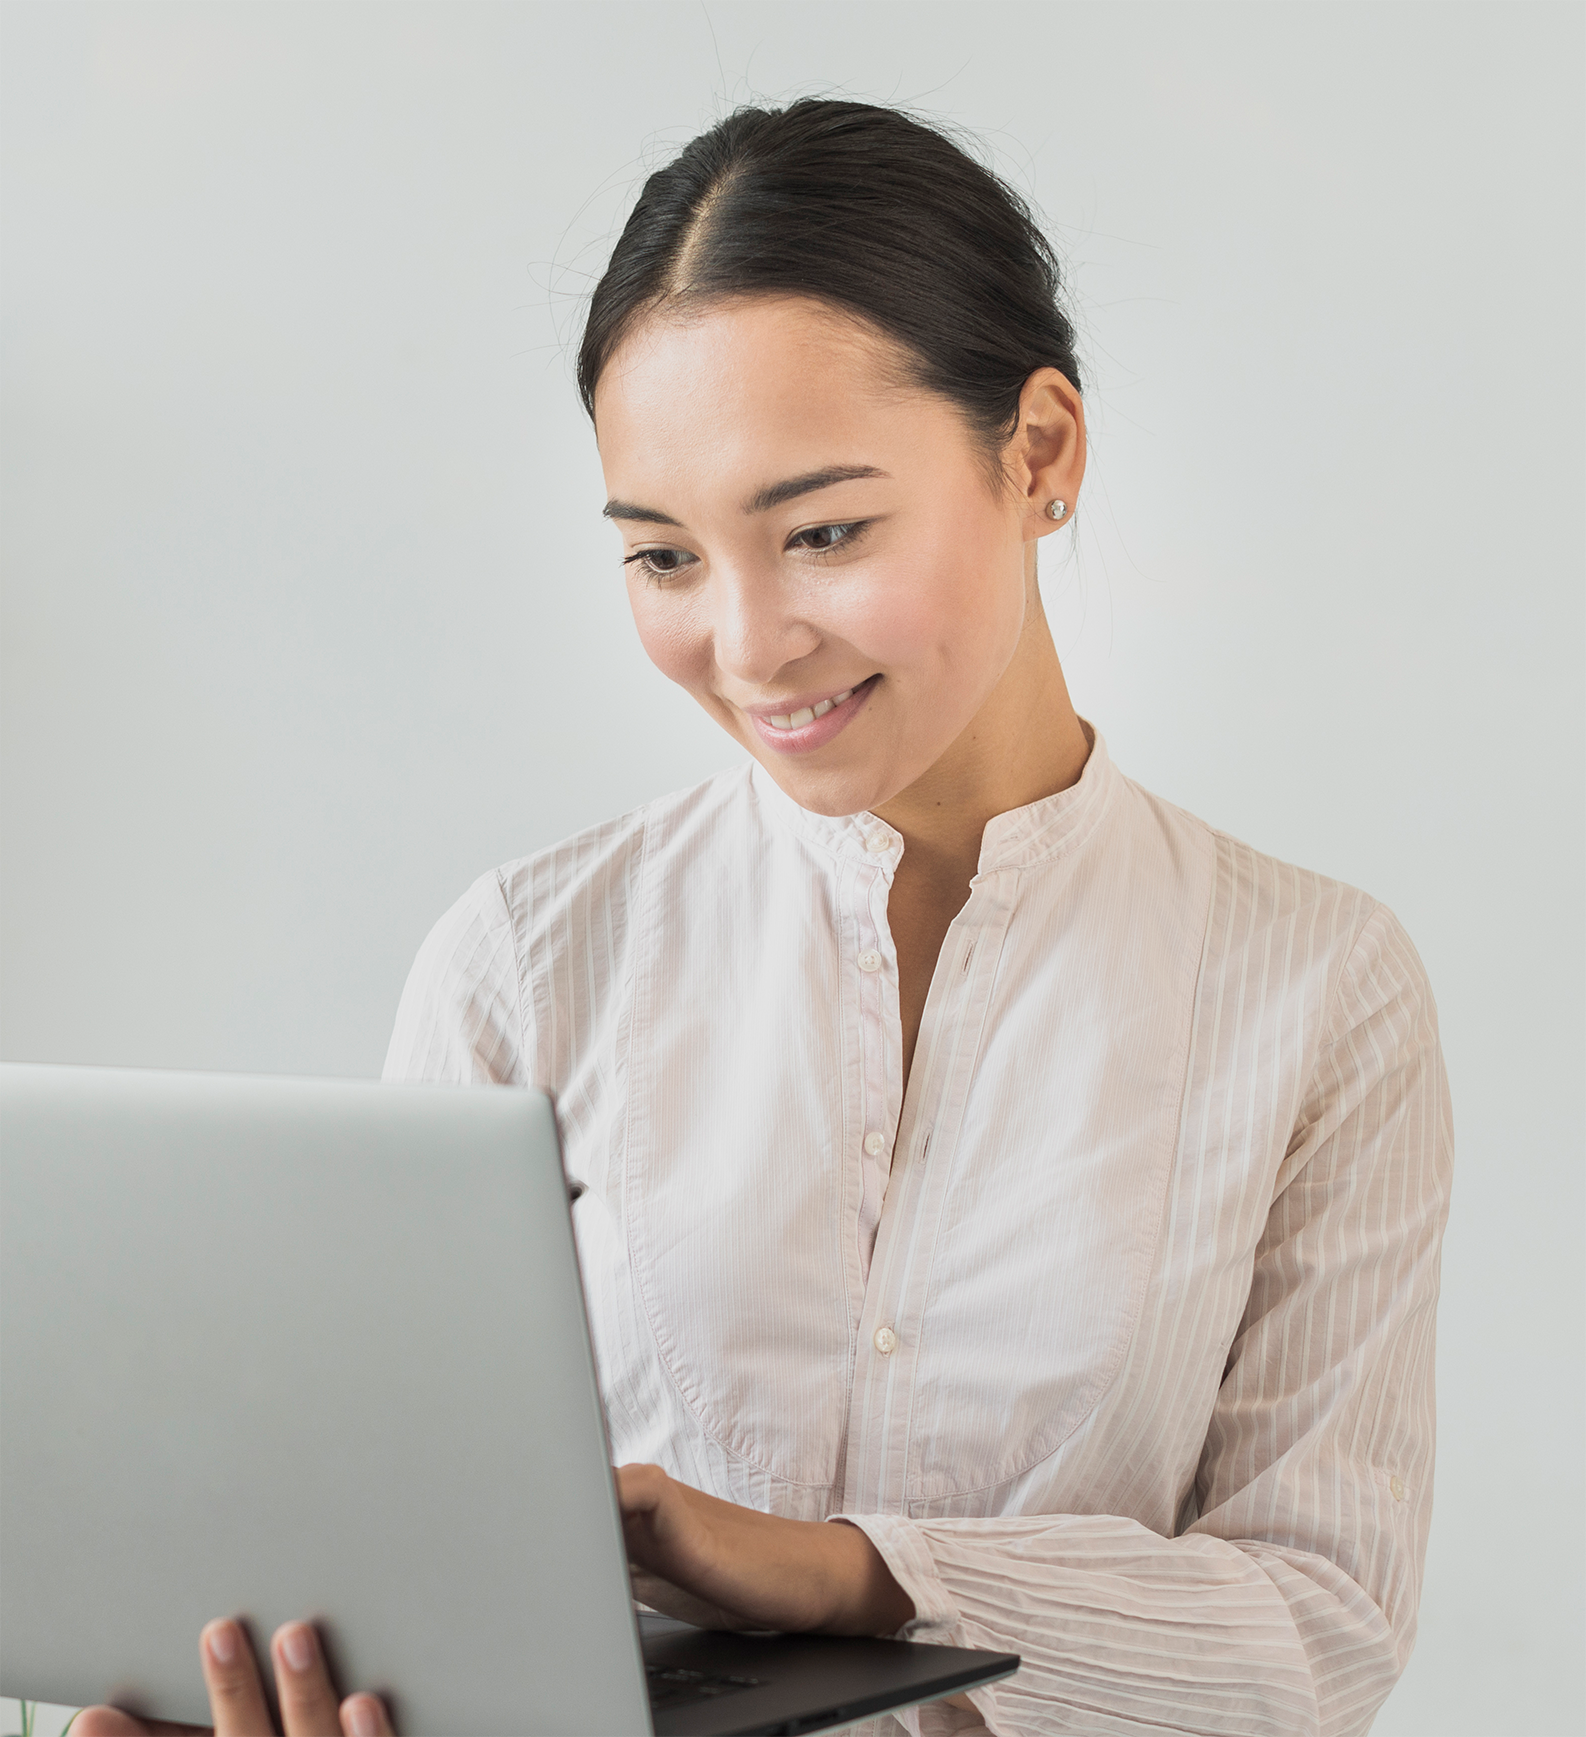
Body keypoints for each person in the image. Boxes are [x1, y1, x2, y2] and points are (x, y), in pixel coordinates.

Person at [78, 98, 1453, 1737]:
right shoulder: (526, 965)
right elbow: (414, 1567)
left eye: (821, 533)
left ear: (1038, 455)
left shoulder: (1316, 987)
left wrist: (858, 1572)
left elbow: (1318, 1633)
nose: (747, 645)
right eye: (662, 558)